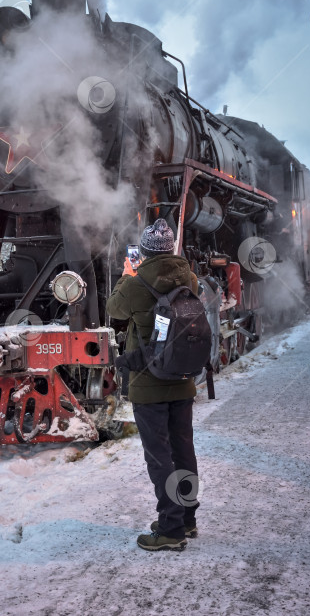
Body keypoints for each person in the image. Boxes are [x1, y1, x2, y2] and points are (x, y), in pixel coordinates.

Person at [106, 218, 200, 551]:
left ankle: (171, 529)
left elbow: (113, 309)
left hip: (149, 383)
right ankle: (187, 519)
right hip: (182, 380)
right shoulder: (189, 276)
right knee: (183, 450)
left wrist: (127, 275)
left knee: (160, 458)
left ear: (144, 249)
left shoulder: (136, 281)